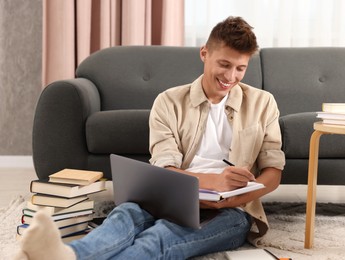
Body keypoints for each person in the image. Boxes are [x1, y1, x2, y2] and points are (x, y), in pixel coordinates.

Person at [14, 16, 285, 260]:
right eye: (224, 64)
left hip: (232, 212)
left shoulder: (263, 103)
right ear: (205, 53)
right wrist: (214, 182)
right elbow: (165, 168)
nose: (230, 76)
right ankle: (68, 256)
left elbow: (273, 170)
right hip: (171, 198)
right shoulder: (168, 101)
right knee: (125, 215)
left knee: (161, 236)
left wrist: (237, 196)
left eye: (240, 68)